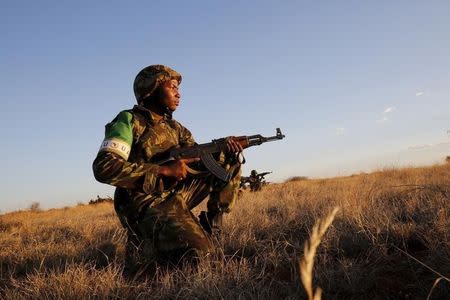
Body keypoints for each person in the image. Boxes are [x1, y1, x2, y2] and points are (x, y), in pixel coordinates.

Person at [92, 65, 242, 275]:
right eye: (172, 87)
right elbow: (104, 167)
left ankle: (211, 228)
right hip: (142, 201)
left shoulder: (176, 128)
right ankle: (145, 245)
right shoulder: (129, 121)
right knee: (202, 256)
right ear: (152, 89)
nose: (178, 93)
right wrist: (163, 171)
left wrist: (223, 149)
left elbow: (199, 162)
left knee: (229, 162)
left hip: (173, 194)